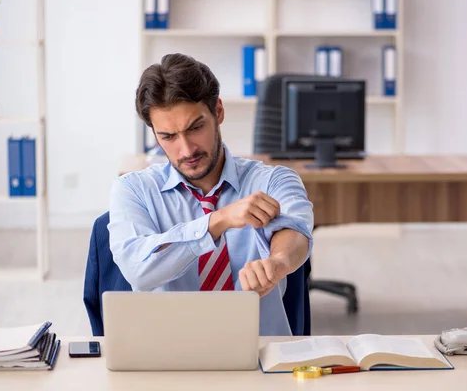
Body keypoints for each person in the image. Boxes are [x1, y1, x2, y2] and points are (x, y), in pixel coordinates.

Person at [108, 53, 314, 336]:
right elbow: (137, 270)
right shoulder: (133, 190)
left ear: (218, 111)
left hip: (261, 357)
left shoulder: (273, 179)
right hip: (168, 359)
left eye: (195, 128)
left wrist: (277, 263)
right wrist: (217, 222)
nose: (187, 150)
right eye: (168, 137)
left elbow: (295, 230)